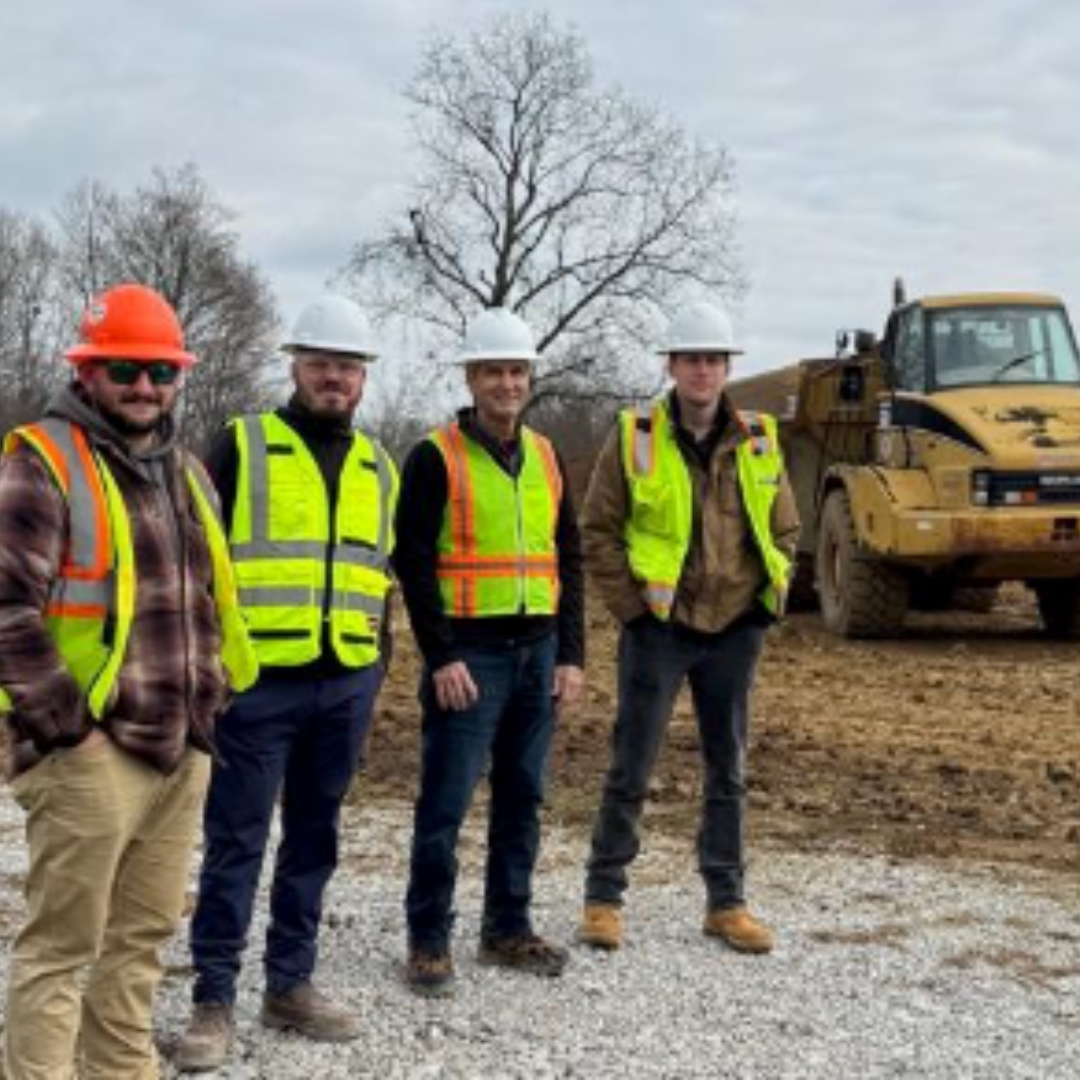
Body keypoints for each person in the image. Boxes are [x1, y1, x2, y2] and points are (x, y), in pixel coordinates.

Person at [0, 283, 257, 1079]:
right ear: (86, 372)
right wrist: (68, 735)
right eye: (123, 369)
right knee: (60, 950)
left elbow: (208, 601)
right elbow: (6, 607)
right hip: (89, 755)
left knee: (140, 942)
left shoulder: (184, 470)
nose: (144, 386)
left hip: (178, 748)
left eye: (160, 371)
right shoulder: (42, 461)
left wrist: (211, 709)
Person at [172, 295, 397, 1071]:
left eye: (349, 366)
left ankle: (290, 984)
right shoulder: (241, 445)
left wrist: (375, 673)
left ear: (364, 379)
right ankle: (214, 997)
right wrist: (209, 677)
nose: (335, 377)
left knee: (314, 838)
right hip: (256, 688)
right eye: (322, 363)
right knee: (236, 840)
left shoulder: (379, 465)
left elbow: (380, 580)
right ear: (295, 365)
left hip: (344, 687)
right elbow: (194, 562)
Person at [576, 301, 799, 955]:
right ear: (671, 365)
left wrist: (767, 600)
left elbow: (785, 526)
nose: (703, 370)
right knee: (631, 765)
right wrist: (635, 611)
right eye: (691, 358)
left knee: (727, 768)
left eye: (713, 359)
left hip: (736, 627)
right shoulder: (635, 434)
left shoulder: (759, 436)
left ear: (727, 367)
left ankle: (726, 903)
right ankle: (603, 898)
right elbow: (599, 532)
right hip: (661, 629)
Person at [395, 307, 585, 996]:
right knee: (445, 805)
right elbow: (412, 563)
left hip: (537, 654)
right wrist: (440, 656)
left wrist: (572, 654)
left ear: (529, 378)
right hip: (469, 658)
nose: (507, 383)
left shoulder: (545, 454)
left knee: (522, 798)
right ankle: (428, 939)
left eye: (516, 371)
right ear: (471, 378)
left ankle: (507, 926)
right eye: (493, 371)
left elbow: (569, 556)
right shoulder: (433, 456)